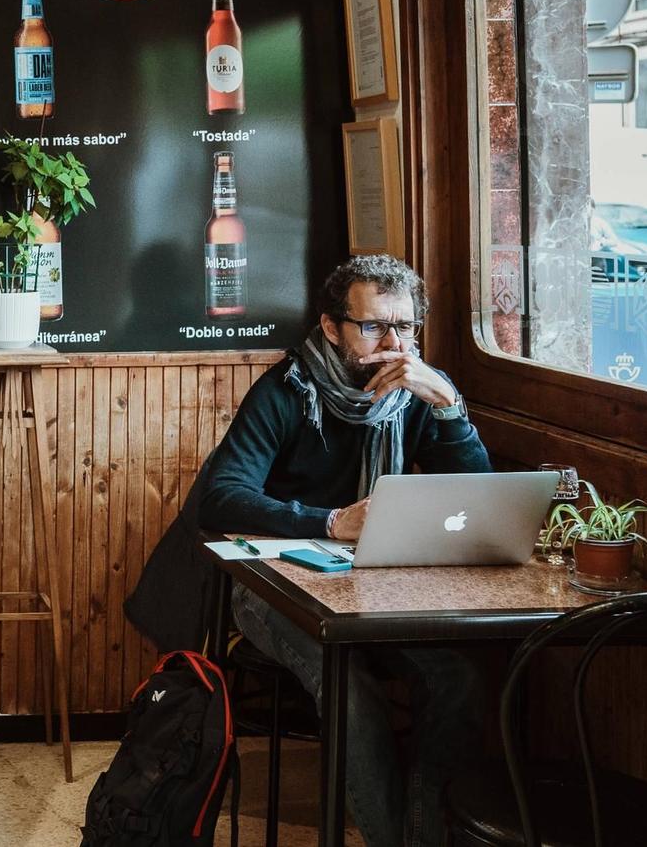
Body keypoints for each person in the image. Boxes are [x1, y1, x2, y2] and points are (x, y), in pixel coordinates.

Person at [173, 255, 489, 847]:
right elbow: (221, 498)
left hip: (380, 585)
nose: (393, 344)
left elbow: (474, 493)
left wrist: (448, 407)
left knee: (460, 678)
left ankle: (424, 835)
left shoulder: (419, 391)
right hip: (272, 585)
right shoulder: (285, 390)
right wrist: (330, 520)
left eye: (407, 327)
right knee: (349, 682)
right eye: (373, 327)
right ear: (331, 326)